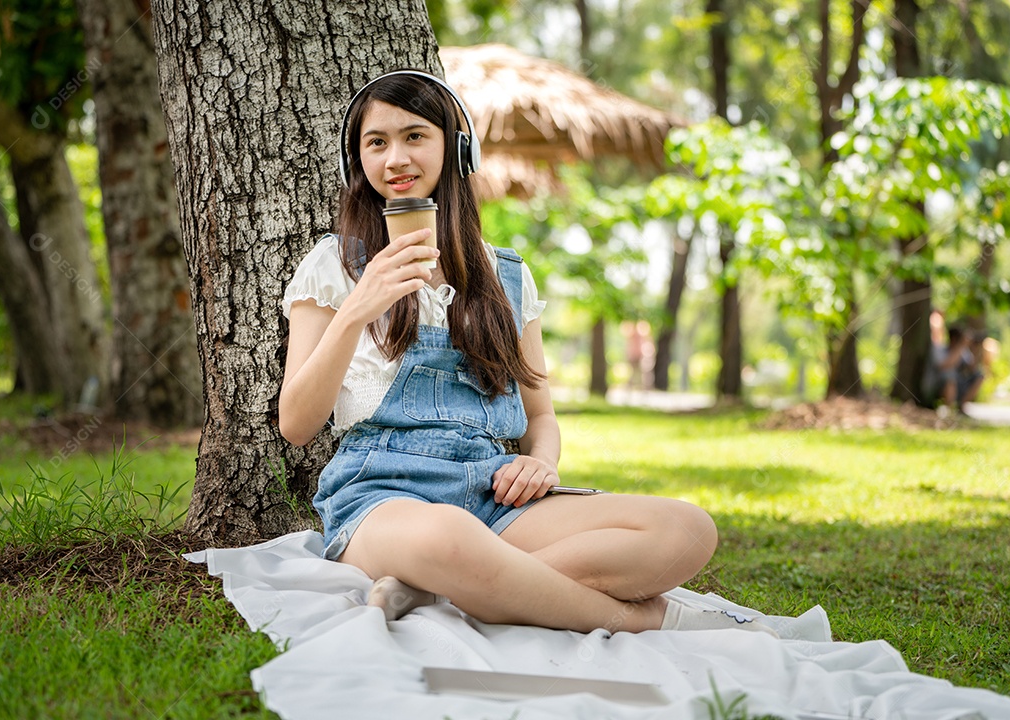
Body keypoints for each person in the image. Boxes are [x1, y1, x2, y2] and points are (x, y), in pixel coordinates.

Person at [278, 70, 775, 637]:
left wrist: (542, 462)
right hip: (383, 494)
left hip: (493, 493)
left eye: (415, 136)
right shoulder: (333, 264)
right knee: (448, 537)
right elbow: (296, 425)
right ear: (356, 161)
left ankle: (441, 591)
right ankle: (649, 622)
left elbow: (541, 418)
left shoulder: (506, 276)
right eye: (376, 142)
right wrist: (356, 310)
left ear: (456, 149)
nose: (396, 157)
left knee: (686, 529)